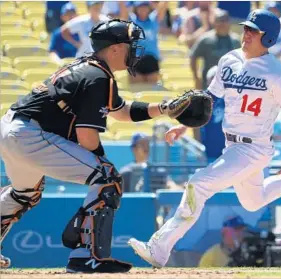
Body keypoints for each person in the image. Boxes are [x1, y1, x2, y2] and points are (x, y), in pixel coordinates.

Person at [128, 9, 281, 268]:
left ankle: (160, 248)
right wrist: (185, 126)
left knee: (198, 184)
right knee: (253, 201)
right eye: (246, 28)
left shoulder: (277, 72)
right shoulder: (229, 59)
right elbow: (209, 98)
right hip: (232, 145)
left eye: (253, 31)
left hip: (253, 148)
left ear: (268, 39)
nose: (245, 33)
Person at [0, 19, 185, 272]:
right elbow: (87, 137)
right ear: (116, 48)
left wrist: (163, 109)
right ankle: (86, 256)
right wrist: (104, 167)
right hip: (31, 135)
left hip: (12, 128)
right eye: (131, 45)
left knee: (24, 193)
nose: (135, 51)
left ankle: (85, 253)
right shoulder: (99, 76)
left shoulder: (89, 67)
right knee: (107, 178)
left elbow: (120, 111)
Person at [189, 10, 240, 90]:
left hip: (230, 85)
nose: (222, 24)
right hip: (208, 85)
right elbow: (193, 56)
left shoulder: (236, 41)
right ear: (214, 23)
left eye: (225, 21)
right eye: (219, 21)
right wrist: (196, 77)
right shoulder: (206, 39)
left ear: (229, 23)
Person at [127, 1, 168, 84]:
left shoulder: (153, 19)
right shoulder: (132, 20)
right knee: (137, 90)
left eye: (145, 7)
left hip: (151, 59)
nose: (143, 9)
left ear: (149, 8)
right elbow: (123, 13)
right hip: (136, 59)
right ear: (136, 8)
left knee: (151, 90)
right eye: (140, 7)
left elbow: (163, 6)